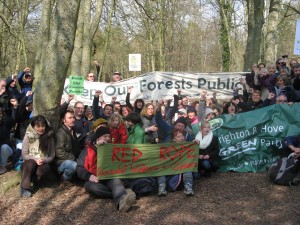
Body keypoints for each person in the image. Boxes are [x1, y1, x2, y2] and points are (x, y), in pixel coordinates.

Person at [76, 127, 136, 212]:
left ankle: (122, 202)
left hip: (110, 177)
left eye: (109, 137)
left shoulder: (113, 149)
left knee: (116, 181)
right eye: (105, 136)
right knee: (90, 187)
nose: (107, 139)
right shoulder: (87, 150)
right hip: (95, 179)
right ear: (98, 138)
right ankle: (122, 193)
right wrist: (89, 176)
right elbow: (79, 168)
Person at [20, 115, 55, 197]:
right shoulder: (28, 136)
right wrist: (35, 159)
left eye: (43, 126)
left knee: (39, 172)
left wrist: (44, 160)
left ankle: (35, 182)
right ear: (33, 126)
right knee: (30, 163)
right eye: (38, 126)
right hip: (28, 164)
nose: (41, 128)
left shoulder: (49, 138)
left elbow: (52, 156)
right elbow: (24, 154)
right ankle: (24, 187)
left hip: (43, 164)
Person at [157, 129, 194, 196]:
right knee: (161, 169)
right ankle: (162, 188)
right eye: (178, 137)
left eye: (182, 136)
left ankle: (188, 188)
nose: (181, 138)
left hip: (182, 168)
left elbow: (195, 145)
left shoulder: (188, 145)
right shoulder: (169, 147)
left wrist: (196, 142)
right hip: (171, 168)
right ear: (174, 139)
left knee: (188, 169)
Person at [55, 109, 81, 183]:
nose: (73, 120)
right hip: (61, 162)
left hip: (72, 159)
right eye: (70, 118)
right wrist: (75, 159)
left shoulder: (72, 131)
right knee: (74, 165)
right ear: (63, 120)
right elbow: (59, 152)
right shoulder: (60, 133)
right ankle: (65, 178)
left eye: (73, 117)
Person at [0, 99, 17, 174]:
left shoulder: (6, 123)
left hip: (7, 150)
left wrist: (15, 107)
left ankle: (3, 167)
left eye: (0, 113)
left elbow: (14, 118)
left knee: (4, 147)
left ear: (2, 114)